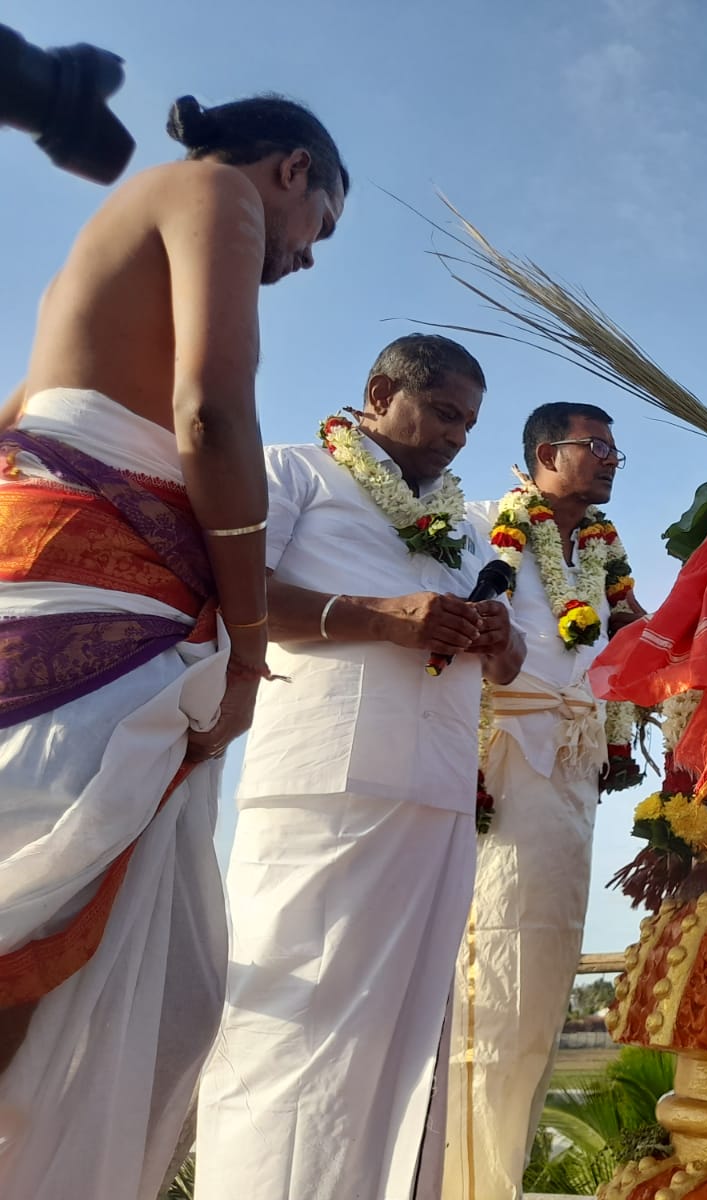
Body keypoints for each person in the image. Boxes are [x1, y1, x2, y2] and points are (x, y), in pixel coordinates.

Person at [0, 94, 345, 1197]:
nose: (304, 261)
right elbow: (212, 416)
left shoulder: (92, 251)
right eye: (320, 229)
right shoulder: (215, 194)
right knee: (36, 932)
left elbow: (19, 423)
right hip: (88, 593)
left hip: (48, 560)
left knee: (96, 954)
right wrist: (246, 645)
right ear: (292, 170)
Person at [195, 334, 525, 1200]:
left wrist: (500, 636)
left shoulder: (459, 521)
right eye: (447, 413)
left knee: (409, 1034)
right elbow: (233, 597)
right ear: (381, 391)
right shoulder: (293, 471)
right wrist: (379, 616)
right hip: (322, 781)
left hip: (440, 789)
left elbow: (514, 664)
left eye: (470, 424)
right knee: (292, 1025)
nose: (459, 437)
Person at [443, 401, 639, 1200]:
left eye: (615, 448)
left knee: (542, 978)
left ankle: (499, 1180)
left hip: (573, 773)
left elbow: (640, 643)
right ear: (542, 453)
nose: (612, 459)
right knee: (487, 977)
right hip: (498, 764)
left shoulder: (601, 556)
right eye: (597, 446)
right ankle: (455, 1182)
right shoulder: (479, 526)